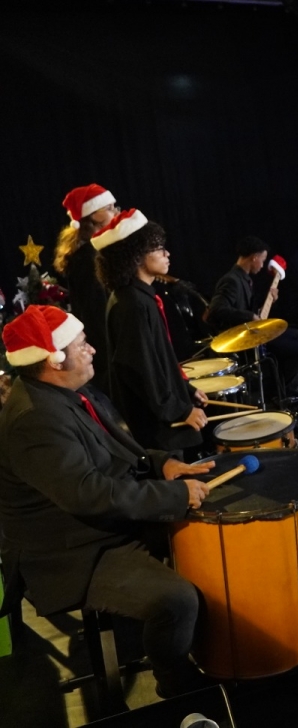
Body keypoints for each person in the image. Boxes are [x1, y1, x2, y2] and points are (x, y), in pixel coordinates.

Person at [0, 306, 214, 697]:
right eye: (82, 344)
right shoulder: (34, 418)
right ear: (54, 359)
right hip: (69, 551)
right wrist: (172, 496)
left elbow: (118, 451)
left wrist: (162, 464)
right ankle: (177, 685)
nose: (93, 349)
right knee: (177, 600)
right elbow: (89, 493)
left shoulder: (70, 391)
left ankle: (211, 645)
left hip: (99, 525)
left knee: (208, 542)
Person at [92, 210, 208, 451]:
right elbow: (140, 369)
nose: (167, 253)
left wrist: (185, 390)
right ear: (136, 256)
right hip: (155, 427)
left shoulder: (139, 296)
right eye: (158, 248)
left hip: (161, 415)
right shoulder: (131, 304)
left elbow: (158, 359)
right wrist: (179, 409)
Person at [206, 236, 298, 398]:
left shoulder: (244, 278)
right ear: (254, 257)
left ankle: (286, 388)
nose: (262, 265)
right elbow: (216, 310)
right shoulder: (231, 280)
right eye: (262, 260)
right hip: (241, 339)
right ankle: (278, 393)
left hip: (249, 332)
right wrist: (250, 316)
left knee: (295, 334)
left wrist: (268, 302)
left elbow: (250, 310)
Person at [53, 184, 121, 394]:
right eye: (109, 208)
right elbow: (96, 316)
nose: (116, 212)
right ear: (92, 217)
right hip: (108, 360)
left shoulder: (95, 253)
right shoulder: (87, 260)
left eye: (115, 206)